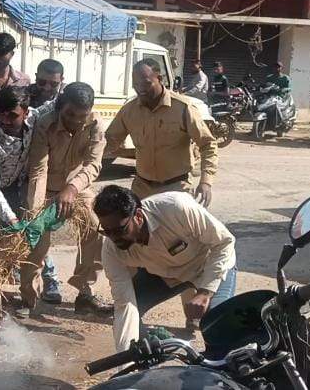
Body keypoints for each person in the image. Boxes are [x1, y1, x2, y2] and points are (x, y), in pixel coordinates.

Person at [94, 185, 237, 352]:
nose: (114, 238)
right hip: (164, 274)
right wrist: (125, 361)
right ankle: (162, 349)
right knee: (131, 320)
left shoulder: (176, 208)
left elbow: (224, 242)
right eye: (107, 231)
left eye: (120, 230)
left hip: (208, 268)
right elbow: (125, 306)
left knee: (218, 328)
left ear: (138, 216)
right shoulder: (111, 250)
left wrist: (205, 292)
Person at [0, 86, 63, 305]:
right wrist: (13, 219)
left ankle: (2, 285)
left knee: (17, 239)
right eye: (0, 114)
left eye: (12, 115)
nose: (5, 121)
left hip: (10, 185)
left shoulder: (37, 116)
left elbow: (57, 102)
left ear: (26, 112)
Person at [24, 82, 111, 316]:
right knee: (36, 244)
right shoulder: (45, 123)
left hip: (76, 187)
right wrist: (35, 213)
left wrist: (72, 188)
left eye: (81, 116)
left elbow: (94, 164)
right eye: (70, 114)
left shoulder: (96, 125)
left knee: (96, 227)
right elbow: (38, 170)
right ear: (62, 106)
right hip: (46, 189)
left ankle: (84, 292)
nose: (75, 121)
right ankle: (30, 299)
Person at [105, 58, 218, 206]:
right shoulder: (129, 111)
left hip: (176, 188)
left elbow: (208, 144)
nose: (140, 89)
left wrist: (206, 181)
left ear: (160, 79)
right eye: (136, 85)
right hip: (142, 189)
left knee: (175, 229)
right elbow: (109, 141)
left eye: (146, 83)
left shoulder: (182, 108)